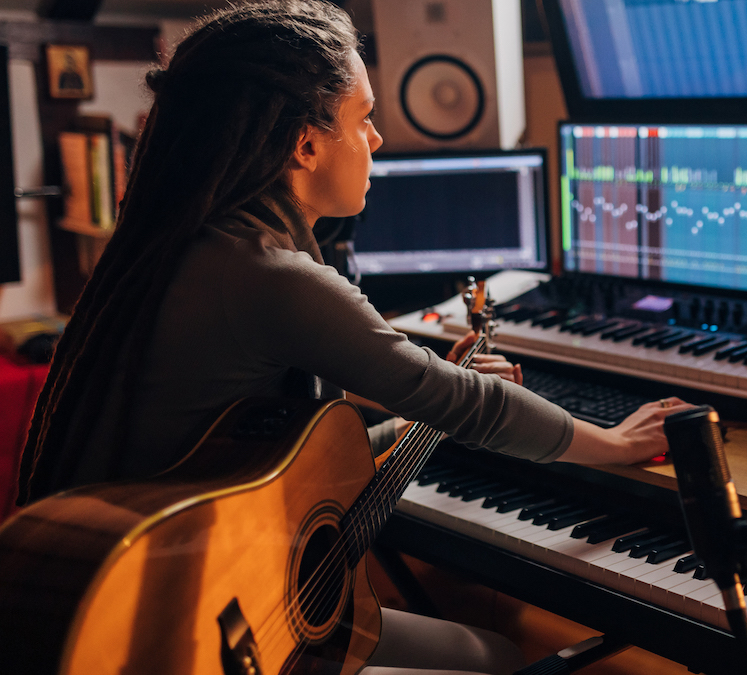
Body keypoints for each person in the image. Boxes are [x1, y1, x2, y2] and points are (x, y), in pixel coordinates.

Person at [17, 2, 689, 673]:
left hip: (186, 597)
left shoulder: (179, 245)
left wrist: (421, 416)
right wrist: (616, 444)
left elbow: (276, 463)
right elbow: (472, 404)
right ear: (305, 145)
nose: (377, 138)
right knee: (501, 658)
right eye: (363, 116)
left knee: (493, 652)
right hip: (188, 633)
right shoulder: (271, 277)